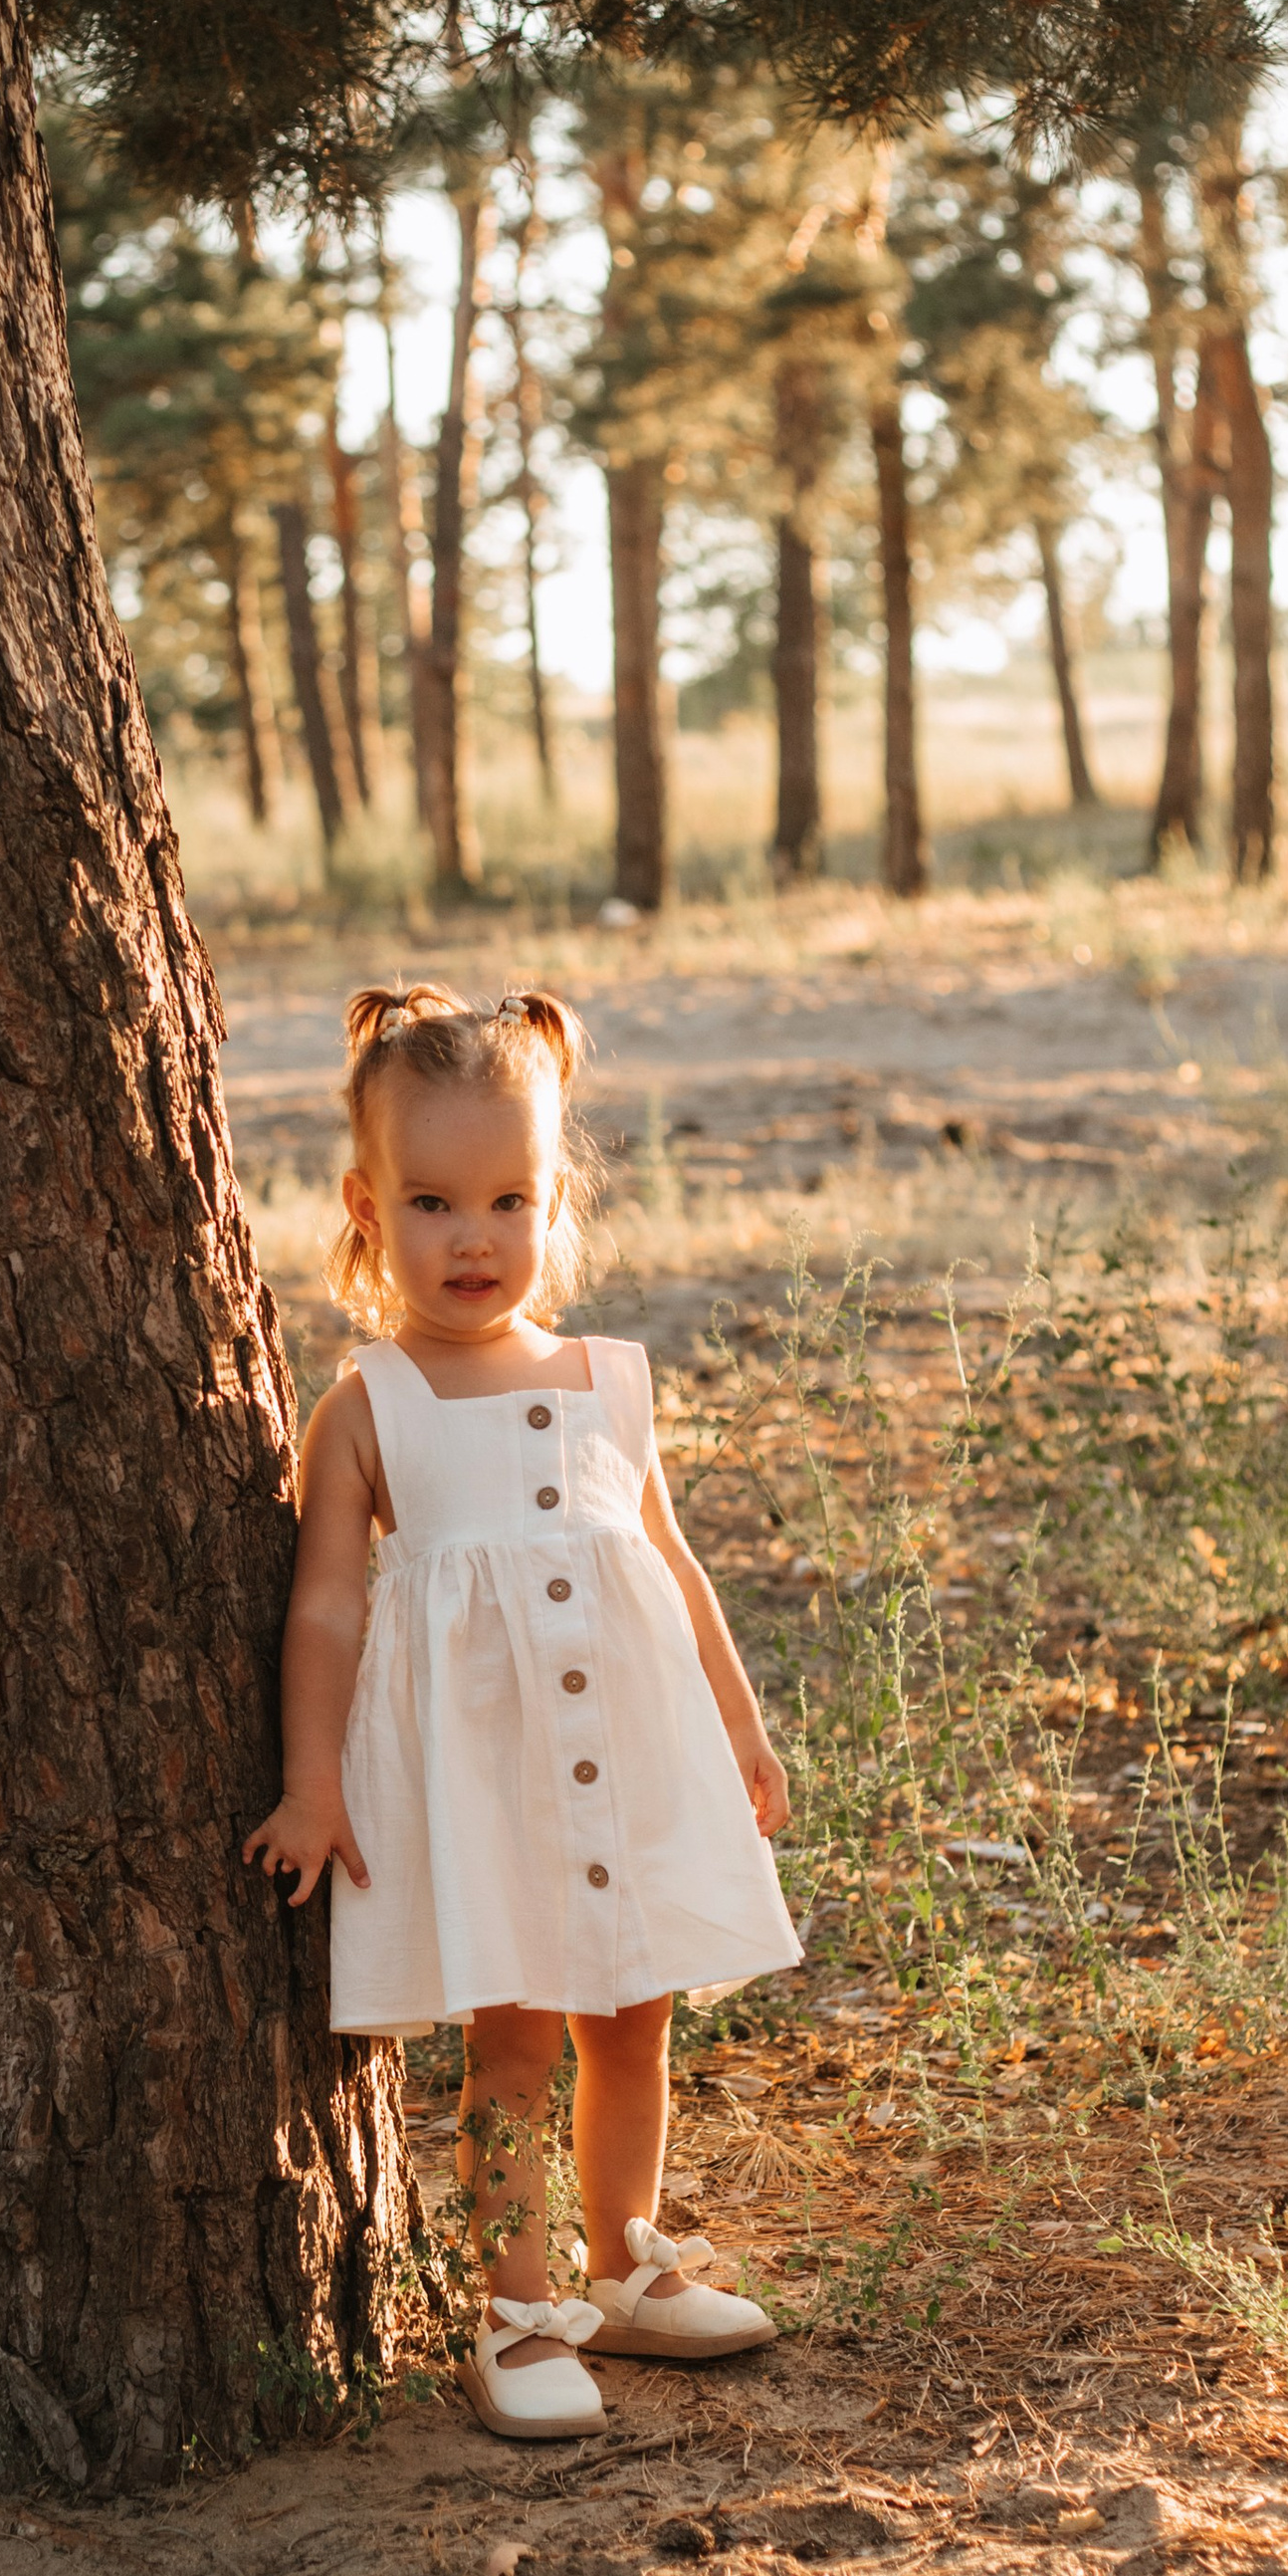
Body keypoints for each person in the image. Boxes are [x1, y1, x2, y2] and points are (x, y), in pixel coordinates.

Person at [245, 983, 800, 2440]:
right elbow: (324, 1609)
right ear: (366, 1209)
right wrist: (312, 1784)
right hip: (489, 1786)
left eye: (509, 1200)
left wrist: (739, 1729)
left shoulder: (609, 1380)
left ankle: (627, 2262)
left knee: (636, 2022)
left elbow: (669, 1565)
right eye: (431, 1203)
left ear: (557, 1202)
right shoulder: (369, 1406)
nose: (473, 1237)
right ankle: (518, 2310)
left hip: (630, 1765)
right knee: (515, 2048)